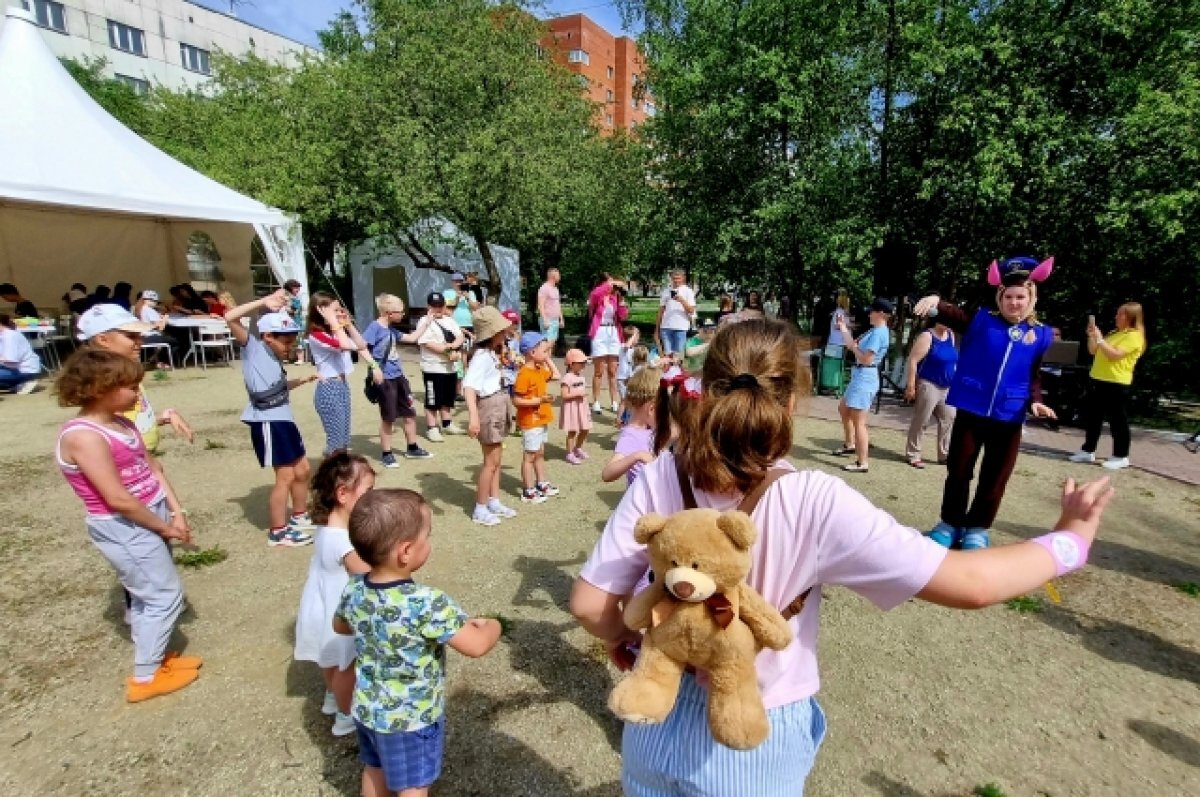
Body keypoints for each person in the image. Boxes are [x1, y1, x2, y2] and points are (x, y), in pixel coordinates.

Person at [570, 317, 1115, 795]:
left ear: (705, 391)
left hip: (654, 717)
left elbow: (590, 603)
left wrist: (624, 637)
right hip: (754, 728)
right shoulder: (816, 499)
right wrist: (1070, 541)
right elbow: (971, 582)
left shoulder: (665, 470)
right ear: (790, 402)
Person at [54, 349, 203, 703]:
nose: (138, 393)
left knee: (146, 592)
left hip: (150, 511)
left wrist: (176, 511)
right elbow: (116, 498)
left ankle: (155, 656)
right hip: (125, 524)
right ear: (99, 388)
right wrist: (163, 528)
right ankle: (145, 676)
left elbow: (154, 469)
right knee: (164, 596)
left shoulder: (123, 423)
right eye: (130, 387)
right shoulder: (83, 436)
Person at [333, 489, 503, 797]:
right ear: (406, 552)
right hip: (411, 718)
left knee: (374, 772)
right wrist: (494, 625)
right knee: (413, 787)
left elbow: (340, 626)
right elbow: (476, 645)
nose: (431, 541)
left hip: (369, 709)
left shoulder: (355, 588)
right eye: (428, 535)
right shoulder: (426, 603)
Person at [913, 256, 1058, 550]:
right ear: (999, 297)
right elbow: (954, 314)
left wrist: (1036, 401)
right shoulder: (981, 321)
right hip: (971, 409)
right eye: (1009, 296)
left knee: (995, 477)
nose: (1014, 303)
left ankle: (977, 528)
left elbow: (1034, 376)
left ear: (1031, 298)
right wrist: (936, 300)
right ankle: (950, 523)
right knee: (959, 470)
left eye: (1021, 297)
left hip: (1009, 417)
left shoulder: (1041, 334)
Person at [225, 290, 319, 547]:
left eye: (292, 341)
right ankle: (278, 531)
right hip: (268, 422)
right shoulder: (254, 348)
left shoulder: (273, 359)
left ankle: (299, 516)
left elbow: (275, 387)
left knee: (303, 469)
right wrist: (262, 303)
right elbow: (230, 317)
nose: (289, 347)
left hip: (284, 419)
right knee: (285, 477)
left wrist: (302, 380)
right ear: (268, 336)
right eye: (285, 342)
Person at [294, 451, 375, 738]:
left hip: (320, 607)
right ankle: (345, 714)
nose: (372, 498)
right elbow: (366, 571)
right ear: (343, 494)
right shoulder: (344, 542)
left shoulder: (327, 526)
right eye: (368, 491)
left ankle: (331, 698)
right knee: (347, 667)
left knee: (329, 661)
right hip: (339, 614)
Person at [77, 304, 195, 457]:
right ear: (103, 340)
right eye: (131, 336)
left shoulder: (128, 374)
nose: (140, 341)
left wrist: (163, 417)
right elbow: (108, 426)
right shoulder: (105, 381)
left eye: (139, 335)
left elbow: (129, 419)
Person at [1069, 302, 1147, 471]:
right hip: (1098, 379)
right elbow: (1093, 351)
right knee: (1093, 417)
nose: (1116, 317)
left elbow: (1114, 355)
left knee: (1117, 420)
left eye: (1121, 314)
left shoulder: (1134, 336)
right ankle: (1088, 450)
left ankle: (1121, 455)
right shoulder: (1114, 334)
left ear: (1131, 317)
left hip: (1117, 382)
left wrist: (1100, 339)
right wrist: (1092, 336)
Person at [362, 294, 433, 468]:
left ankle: (412, 447)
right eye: (399, 312)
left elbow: (411, 338)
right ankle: (387, 453)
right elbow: (361, 347)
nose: (402, 315)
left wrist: (426, 323)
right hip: (385, 380)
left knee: (409, 413)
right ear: (388, 313)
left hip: (399, 377)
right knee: (389, 418)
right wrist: (374, 367)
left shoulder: (391, 330)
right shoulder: (375, 327)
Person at [462, 307, 519, 527]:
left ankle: (493, 500)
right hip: (489, 407)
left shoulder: (494, 353)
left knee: (497, 461)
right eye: (502, 330)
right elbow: (469, 387)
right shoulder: (482, 357)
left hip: (499, 402)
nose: (506, 333)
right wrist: (474, 418)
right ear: (491, 333)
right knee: (490, 462)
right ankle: (480, 507)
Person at [307, 291, 376, 457]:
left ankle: (338, 473)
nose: (341, 312)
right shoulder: (317, 335)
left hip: (342, 386)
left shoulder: (334, 332)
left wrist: (349, 325)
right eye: (336, 310)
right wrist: (335, 323)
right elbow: (344, 345)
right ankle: (329, 476)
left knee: (344, 439)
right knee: (336, 441)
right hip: (329, 388)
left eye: (340, 309)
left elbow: (361, 344)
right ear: (321, 311)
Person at [833, 298, 893, 473]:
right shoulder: (876, 331)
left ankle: (862, 462)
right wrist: (844, 329)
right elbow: (853, 345)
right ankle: (850, 444)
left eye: (872, 311)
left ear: (881, 314)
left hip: (865, 376)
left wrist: (853, 347)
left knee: (859, 422)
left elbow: (866, 359)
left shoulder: (879, 333)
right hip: (861, 376)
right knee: (844, 409)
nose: (869, 314)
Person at [513, 331, 561, 503]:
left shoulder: (540, 369)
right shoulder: (524, 373)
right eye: (544, 350)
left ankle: (541, 483)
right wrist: (538, 400)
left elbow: (556, 375)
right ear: (532, 352)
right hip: (530, 420)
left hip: (541, 418)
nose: (547, 353)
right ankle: (528, 490)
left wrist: (547, 358)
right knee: (529, 456)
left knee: (540, 452)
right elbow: (516, 399)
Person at [904, 319, 959, 468]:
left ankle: (944, 455)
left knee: (949, 417)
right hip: (928, 384)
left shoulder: (950, 335)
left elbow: (952, 361)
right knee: (922, 419)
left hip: (947, 386)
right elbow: (913, 360)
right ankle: (913, 454)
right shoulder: (927, 336)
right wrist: (911, 386)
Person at [417, 292, 467, 442]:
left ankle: (447, 423)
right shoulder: (424, 321)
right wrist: (448, 351)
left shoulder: (450, 320)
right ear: (429, 306)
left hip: (450, 367)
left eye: (440, 305)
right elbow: (427, 342)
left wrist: (452, 347)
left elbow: (460, 336)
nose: (438, 309)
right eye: (434, 306)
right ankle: (432, 427)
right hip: (433, 367)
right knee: (433, 399)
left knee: (447, 397)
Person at [601, 365, 660, 486]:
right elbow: (607, 474)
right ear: (651, 408)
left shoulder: (652, 428)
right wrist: (637, 456)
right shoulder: (632, 435)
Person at [589, 275, 630, 414]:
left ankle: (614, 401)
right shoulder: (597, 297)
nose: (613, 286)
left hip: (613, 332)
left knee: (613, 371)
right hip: (600, 331)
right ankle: (596, 401)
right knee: (599, 370)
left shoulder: (615, 298)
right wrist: (610, 284)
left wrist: (622, 300)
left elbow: (623, 316)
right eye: (610, 283)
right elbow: (595, 294)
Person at [132, 290, 182, 369]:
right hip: (150, 336)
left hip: (142, 336)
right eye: (154, 301)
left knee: (168, 339)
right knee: (175, 341)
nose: (155, 303)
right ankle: (163, 362)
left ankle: (154, 358)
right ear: (147, 300)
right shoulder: (149, 310)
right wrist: (165, 318)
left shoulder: (139, 309)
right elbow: (160, 328)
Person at [561, 348, 593, 464]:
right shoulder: (567, 378)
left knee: (585, 429)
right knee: (572, 431)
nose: (583, 365)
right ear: (571, 364)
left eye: (584, 363)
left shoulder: (581, 377)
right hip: (572, 408)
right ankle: (570, 453)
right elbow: (564, 395)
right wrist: (577, 394)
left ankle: (577, 448)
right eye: (581, 363)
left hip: (581, 407)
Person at [656, 270, 696, 356]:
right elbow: (661, 311)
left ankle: (678, 370)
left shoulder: (688, 291)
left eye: (678, 278)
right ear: (671, 278)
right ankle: (668, 369)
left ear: (683, 278)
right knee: (667, 356)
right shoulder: (666, 291)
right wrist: (657, 329)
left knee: (678, 357)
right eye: (674, 278)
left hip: (681, 328)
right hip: (666, 327)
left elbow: (691, 310)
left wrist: (681, 300)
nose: (676, 280)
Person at [0, 314, 41, 394]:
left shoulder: (9, 336)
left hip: (25, 371)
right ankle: (16, 385)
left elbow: (11, 361)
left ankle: (25, 382)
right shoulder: (3, 335)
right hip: (14, 369)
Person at [537, 267, 565, 349]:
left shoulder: (555, 289)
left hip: (555, 320)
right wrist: (544, 319)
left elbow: (558, 304)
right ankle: (544, 361)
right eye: (558, 274)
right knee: (547, 344)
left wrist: (561, 319)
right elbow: (540, 305)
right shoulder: (544, 288)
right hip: (548, 320)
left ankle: (549, 360)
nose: (560, 276)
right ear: (553, 276)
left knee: (552, 343)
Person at [826, 289, 851, 355]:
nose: (849, 300)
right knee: (833, 363)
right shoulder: (839, 311)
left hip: (840, 343)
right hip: (837, 344)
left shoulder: (842, 312)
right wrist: (851, 326)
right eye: (847, 298)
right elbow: (838, 325)